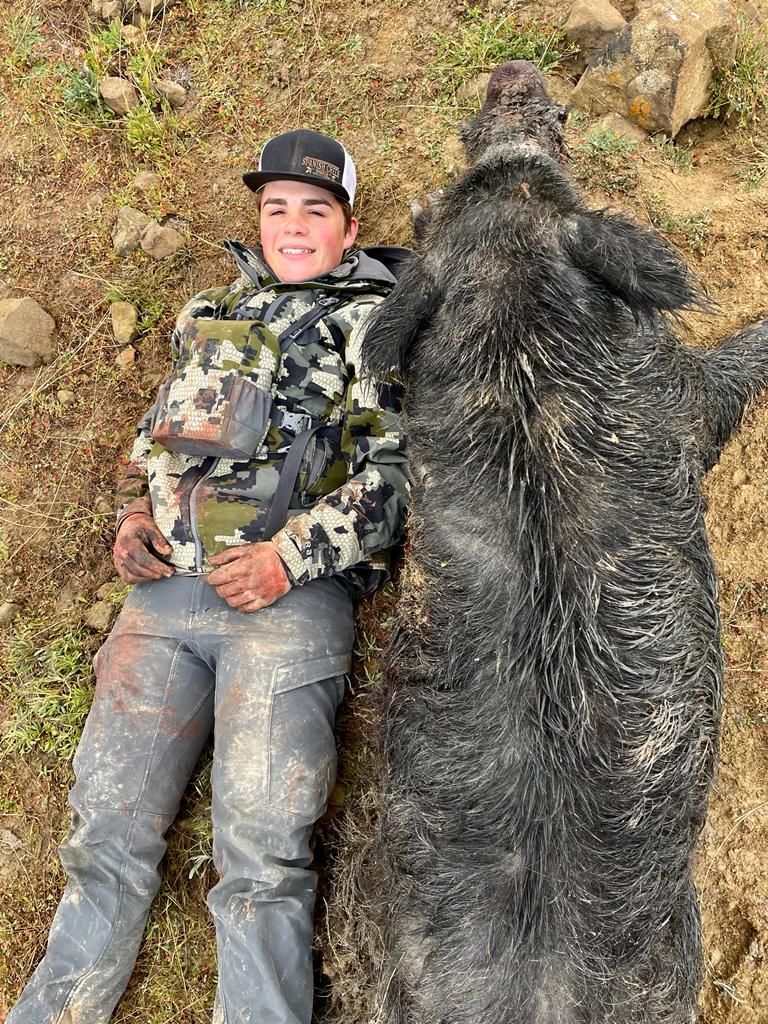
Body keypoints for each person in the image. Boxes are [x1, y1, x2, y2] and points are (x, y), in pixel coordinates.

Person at [8, 129, 411, 1024]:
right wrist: (128, 519)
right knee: (104, 836)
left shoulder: (379, 325)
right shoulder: (205, 315)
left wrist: (287, 557)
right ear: (258, 222)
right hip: (159, 605)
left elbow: (397, 475)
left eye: (318, 211)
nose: (294, 227)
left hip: (286, 608)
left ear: (350, 230)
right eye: (277, 210)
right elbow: (151, 443)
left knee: (262, 862)